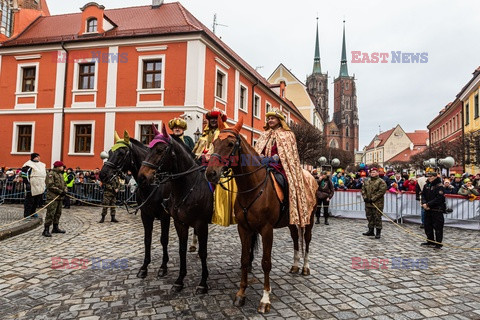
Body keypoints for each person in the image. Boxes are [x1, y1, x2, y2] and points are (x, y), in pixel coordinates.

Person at [254, 108, 317, 227]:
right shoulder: (264, 135)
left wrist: (274, 159)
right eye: (268, 118)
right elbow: (258, 150)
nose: (270, 120)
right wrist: (260, 157)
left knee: (286, 182)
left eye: (272, 118)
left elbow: (288, 154)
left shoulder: (287, 135)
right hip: (263, 166)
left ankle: (288, 208)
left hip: (280, 167)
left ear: (279, 120)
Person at [192, 108, 237, 227]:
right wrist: (199, 155)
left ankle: (218, 212)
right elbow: (196, 150)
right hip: (201, 163)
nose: (213, 121)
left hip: (218, 164)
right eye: (211, 119)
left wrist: (210, 157)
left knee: (222, 181)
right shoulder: (204, 136)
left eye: (215, 119)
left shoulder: (223, 135)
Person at [421, 171, 446, 249]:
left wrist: (428, 204)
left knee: (438, 227)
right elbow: (423, 195)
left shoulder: (439, 186)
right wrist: (424, 203)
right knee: (427, 226)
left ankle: (438, 243)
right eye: (428, 176)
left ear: (435, 177)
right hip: (427, 209)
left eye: (431, 176)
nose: (429, 178)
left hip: (436, 209)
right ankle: (430, 240)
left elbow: (439, 198)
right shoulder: (426, 185)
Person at [361, 167, 387, 239]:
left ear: (377, 173)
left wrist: (373, 198)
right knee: (369, 216)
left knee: (377, 217)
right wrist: (365, 197)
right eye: (371, 172)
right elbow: (363, 189)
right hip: (368, 203)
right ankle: (371, 230)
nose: (372, 173)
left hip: (377, 203)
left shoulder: (381, 181)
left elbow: (381, 191)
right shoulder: (367, 181)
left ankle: (378, 232)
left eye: (374, 172)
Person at [43, 161, 67, 237]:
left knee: (58, 213)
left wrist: (65, 190)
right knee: (51, 213)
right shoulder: (51, 174)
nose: (63, 168)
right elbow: (50, 185)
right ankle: (46, 229)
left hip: (60, 197)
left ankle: (55, 227)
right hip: (52, 197)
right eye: (62, 166)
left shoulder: (60, 174)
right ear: (58, 167)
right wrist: (60, 191)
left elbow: (64, 184)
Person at [21, 153, 47, 218]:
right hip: (32, 184)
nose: (39, 158)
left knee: (37, 200)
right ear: (34, 157)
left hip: (40, 185)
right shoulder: (28, 165)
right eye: (37, 157)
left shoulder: (42, 165)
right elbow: (24, 174)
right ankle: (27, 214)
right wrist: (27, 183)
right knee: (30, 200)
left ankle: (33, 212)